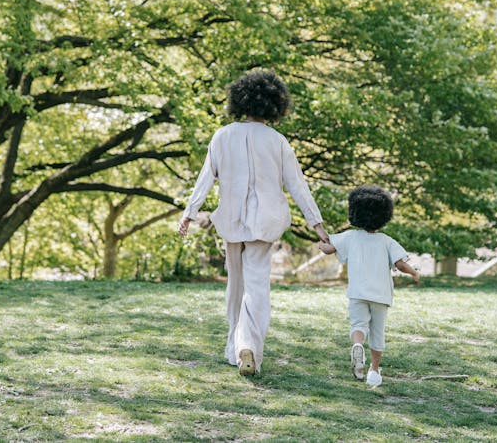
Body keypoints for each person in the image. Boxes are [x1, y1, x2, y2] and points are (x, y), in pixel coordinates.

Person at [177, 69, 329, 376]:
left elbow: (205, 179)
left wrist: (189, 213)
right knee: (257, 286)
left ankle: (236, 347)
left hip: (231, 221)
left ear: (240, 100)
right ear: (275, 104)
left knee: (236, 287)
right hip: (266, 222)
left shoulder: (222, 136)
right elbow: (298, 187)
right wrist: (318, 226)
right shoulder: (278, 141)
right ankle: (248, 348)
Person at [319, 185, 419, 387]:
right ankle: (374, 371)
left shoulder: (350, 236)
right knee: (378, 331)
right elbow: (400, 264)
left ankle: (357, 345)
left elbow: (329, 248)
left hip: (357, 292)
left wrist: (322, 243)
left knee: (359, 326)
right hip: (381, 295)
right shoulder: (387, 241)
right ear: (384, 216)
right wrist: (415, 273)